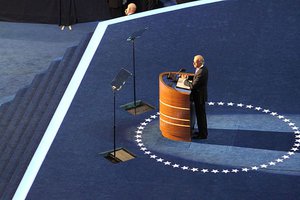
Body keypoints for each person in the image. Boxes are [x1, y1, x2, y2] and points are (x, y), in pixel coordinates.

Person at [183, 55, 208, 139]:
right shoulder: (201, 69)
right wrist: (188, 77)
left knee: (201, 116)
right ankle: (202, 132)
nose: (193, 63)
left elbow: (193, 85)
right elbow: (196, 77)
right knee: (200, 116)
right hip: (199, 96)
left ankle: (203, 134)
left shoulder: (202, 72)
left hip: (199, 98)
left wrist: (185, 81)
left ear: (199, 62)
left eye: (195, 61)